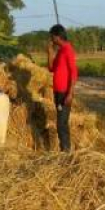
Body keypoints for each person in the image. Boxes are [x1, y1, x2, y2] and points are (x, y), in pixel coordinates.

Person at [47, 24, 78, 152]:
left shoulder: (68, 50)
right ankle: (64, 149)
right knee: (61, 122)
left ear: (57, 36)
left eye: (52, 37)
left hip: (64, 93)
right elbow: (51, 68)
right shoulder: (60, 51)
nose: (51, 40)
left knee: (62, 124)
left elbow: (74, 72)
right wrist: (49, 53)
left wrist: (70, 93)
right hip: (58, 92)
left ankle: (66, 151)